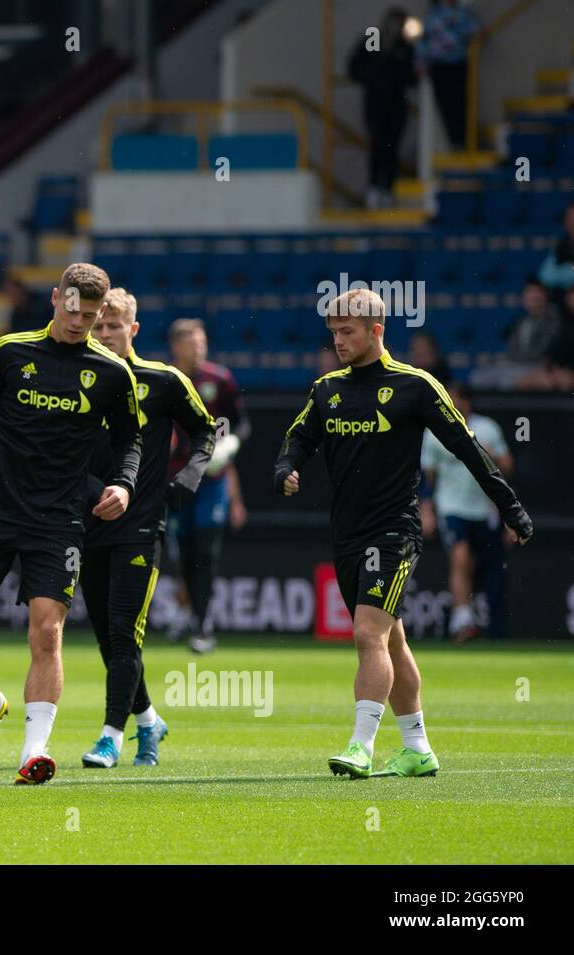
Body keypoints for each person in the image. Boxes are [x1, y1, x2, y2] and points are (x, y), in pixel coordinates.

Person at [275, 288, 532, 779]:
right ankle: (417, 748)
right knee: (391, 641)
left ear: (376, 330)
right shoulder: (326, 389)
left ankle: (361, 746)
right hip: (346, 534)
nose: (338, 341)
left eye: (347, 332)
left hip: (394, 532)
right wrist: (285, 468)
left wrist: (510, 507)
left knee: (367, 633)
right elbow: (297, 438)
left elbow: (467, 447)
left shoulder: (416, 385)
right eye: (333, 333)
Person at [0, 263, 143, 785]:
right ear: (56, 298)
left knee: (47, 630)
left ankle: (34, 751)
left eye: (90, 316)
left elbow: (130, 440)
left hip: (58, 517)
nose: (78, 322)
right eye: (72, 310)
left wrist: (123, 484)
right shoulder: (8, 351)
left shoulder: (112, 373)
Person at [79, 289, 216, 769]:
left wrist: (189, 477)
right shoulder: (79, 381)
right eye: (97, 326)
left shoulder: (163, 380)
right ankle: (149, 719)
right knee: (106, 636)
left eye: (113, 326)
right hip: (89, 523)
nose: (104, 334)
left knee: (123, 631)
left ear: (133, 329)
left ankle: (110, 737)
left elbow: (206, 430)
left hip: (141, 525)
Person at [164, 318, 250, 654]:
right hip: (177, 479)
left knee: (207, 548)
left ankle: (202, 624)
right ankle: (189, 615)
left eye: (202, 342)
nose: (199, 349)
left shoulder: (220, 379)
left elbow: (239, 423)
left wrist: (228, 445)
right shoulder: (167, 379)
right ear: (176, 347)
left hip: (212, 480)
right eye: (191, 343)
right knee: (183, 551)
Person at [420, 380, 514, 643]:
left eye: (453, 399)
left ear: (466, 401)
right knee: (460, 557)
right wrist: (426, 510)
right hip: (451, 508)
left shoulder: (487, 428)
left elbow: (507, 469)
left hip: (484, 511)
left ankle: (496, 629)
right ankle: (461, 622)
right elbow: (427, 478)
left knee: (489, 570)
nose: (449, 404)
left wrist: (509, 515)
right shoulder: (434, 432)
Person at [348, 7, 416, 208]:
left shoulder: (404, 45)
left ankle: (388, 189)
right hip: (376, 102)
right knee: (377, 144)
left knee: (392, 147)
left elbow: (411, 76)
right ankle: (374, 187)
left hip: (395, 104)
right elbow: (356, 67)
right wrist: (373, 78)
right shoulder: (374, 38)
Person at [470, 278, 564, 389]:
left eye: (536, 295)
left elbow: (541, 351)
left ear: (545, 296)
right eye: (529, 294)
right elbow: (511, 350)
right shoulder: (522, 321)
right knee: (477, 376)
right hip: (516, 366)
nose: (533, 298)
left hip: (536, 367)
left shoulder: (553, 320)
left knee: (509, 381)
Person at [417, 0, 482, 151]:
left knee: (461, 102)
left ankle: (465, 140)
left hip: (458, 64)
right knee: (445, 104)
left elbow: (478, 32)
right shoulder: (432, 15)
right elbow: (423, 41)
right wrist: (419, 63)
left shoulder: (463, 13)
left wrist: (475, 36)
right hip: (439, 65)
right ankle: (455, 141)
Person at [537, 201, 574, 290]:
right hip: (566, 295)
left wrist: (563, 269)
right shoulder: (560, 246)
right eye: (570, 217)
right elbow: (546, 276)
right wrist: (570, 269)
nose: (572, 221)